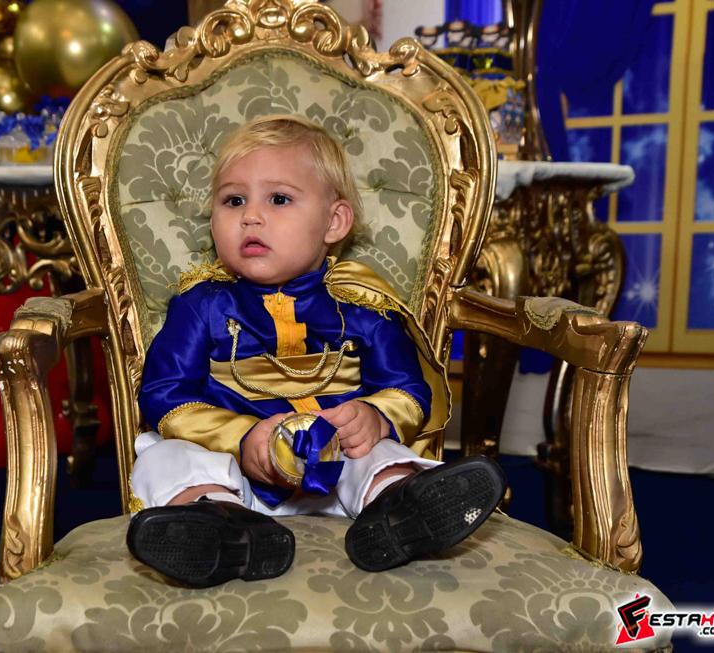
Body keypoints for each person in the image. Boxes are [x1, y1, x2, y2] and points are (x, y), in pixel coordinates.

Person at [126, 115, 507, 587]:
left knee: (381, 454)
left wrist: (375, 418)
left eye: (279, 199)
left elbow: (407, 389)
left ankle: (399, 508)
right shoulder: (201, 303)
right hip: (236, 478)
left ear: (334, 222)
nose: (250, 216)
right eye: (233, 200)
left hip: (338, 470)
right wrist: (242, 439)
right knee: (163, 455)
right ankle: (221, 526)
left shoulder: (363, 305)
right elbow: (165, 394)